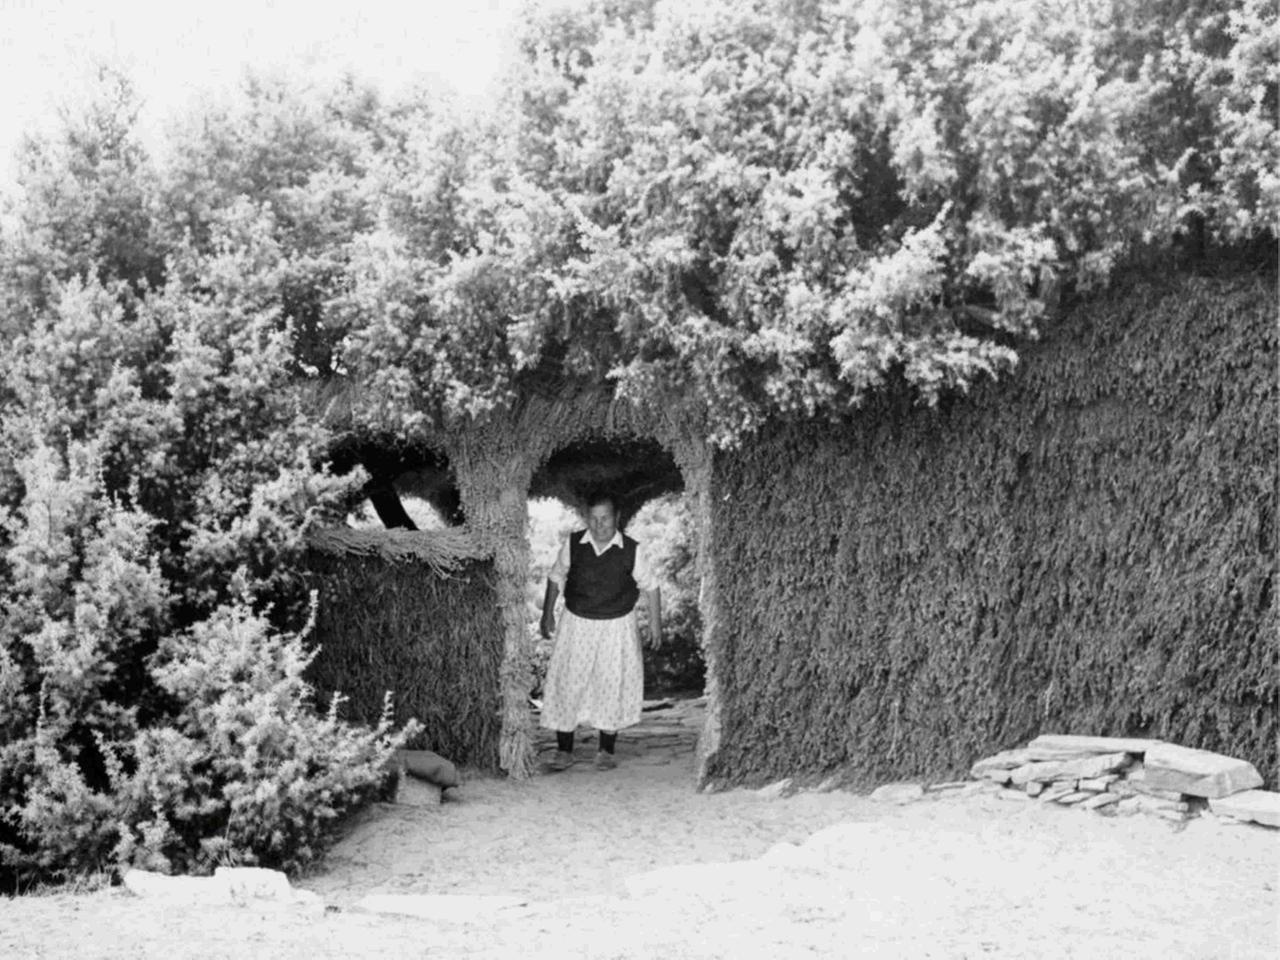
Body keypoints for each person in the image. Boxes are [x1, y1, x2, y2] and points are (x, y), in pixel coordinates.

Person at [539, 491, 661, 771]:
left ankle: (606, 751)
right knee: (568, 682)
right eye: (593, 519)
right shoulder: (573, 544)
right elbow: (556, 577)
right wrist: (547, 615)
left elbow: (652, 586)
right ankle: (563, 751)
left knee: (610, 682)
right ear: (587, 519)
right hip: (577, 623)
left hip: (617, 626)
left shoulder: (632, 549)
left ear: (616, 518)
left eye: (605, 518)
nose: (599, 525)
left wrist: (655, 624)